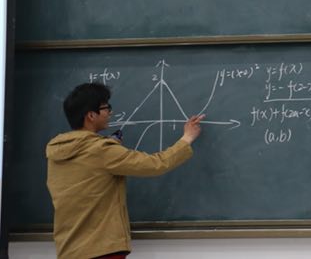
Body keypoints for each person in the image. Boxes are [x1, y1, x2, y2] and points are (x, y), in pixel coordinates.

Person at [46, 82, 204, 259]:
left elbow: (90, 173)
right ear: (91, 115)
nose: (110, 112)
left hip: (69, 249)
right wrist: (187, 138)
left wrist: (109, 147)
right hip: (101, 250)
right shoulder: (101, 151)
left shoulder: (57, 152)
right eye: (106, 108)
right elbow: (155, 164)